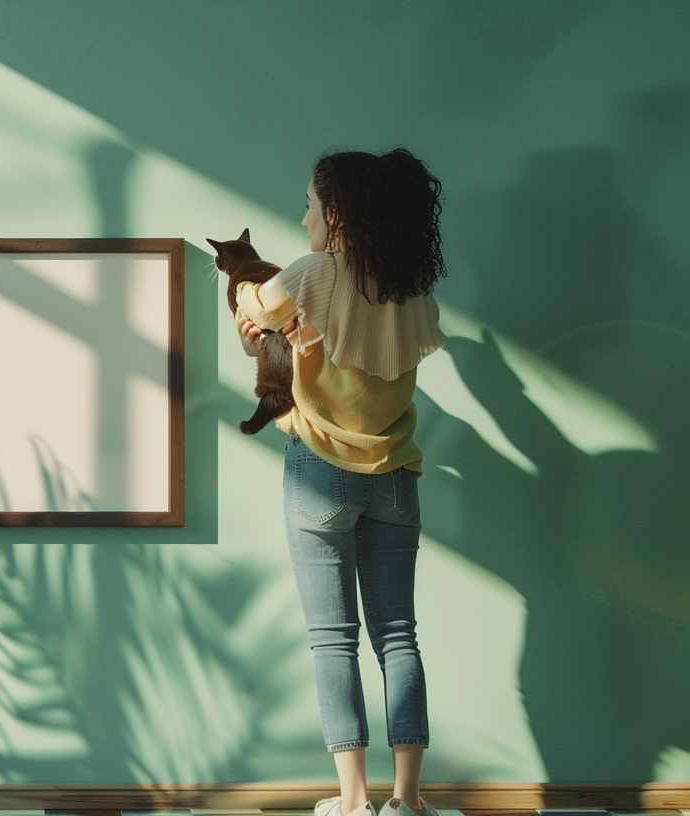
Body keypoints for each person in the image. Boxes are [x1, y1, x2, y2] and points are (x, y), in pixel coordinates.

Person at [233, 148, 447, 816]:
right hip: (396, 476)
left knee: (334, 638)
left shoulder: (315, 272)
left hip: (320, 473)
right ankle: (406, 801)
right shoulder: (412, 286)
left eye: (307, 205)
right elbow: (401, 345)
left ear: (335, 212)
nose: (302, 220)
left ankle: (353, 801)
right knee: (398, 635)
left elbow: (257, 313)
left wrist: (248, 301)